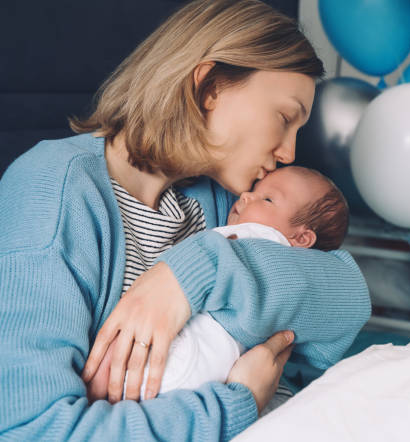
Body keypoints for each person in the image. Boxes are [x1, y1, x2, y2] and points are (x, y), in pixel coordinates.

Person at [0, 1, 371, 441]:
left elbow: (348, 299)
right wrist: (237, 403)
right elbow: (31, 429)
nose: (289, 153)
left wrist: (188, 276)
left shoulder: (223, 199)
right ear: (210, 86)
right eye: (284, 118)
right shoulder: (53, 190)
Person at [87, 166, 351, 402]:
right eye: (253, 192)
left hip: (190, 356)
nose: (245, 197)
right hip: (214, 371)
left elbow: (348, 294)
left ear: (302, 238)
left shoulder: (257, 238)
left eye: (267, 199)